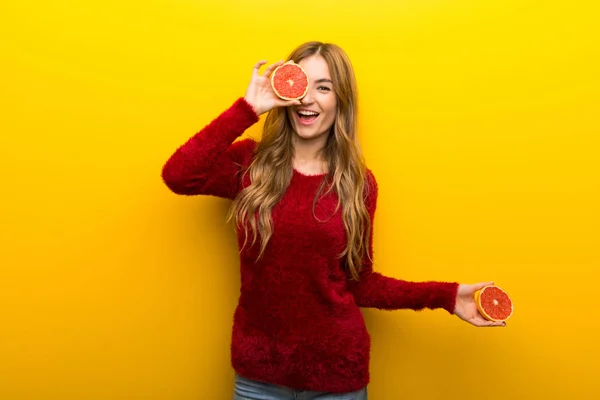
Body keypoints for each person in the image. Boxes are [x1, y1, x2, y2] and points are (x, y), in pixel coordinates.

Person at [161, 41, 505, 400]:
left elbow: (362, 282)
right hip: (258, 376)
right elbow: (178, 175)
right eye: (301, 83)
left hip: (337, 378)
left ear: (341, 100)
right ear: (284, 88)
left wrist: (447, 297)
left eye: (323, 87)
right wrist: (247, 110)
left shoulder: (358, 184)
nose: (307, 98)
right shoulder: (250, 164)